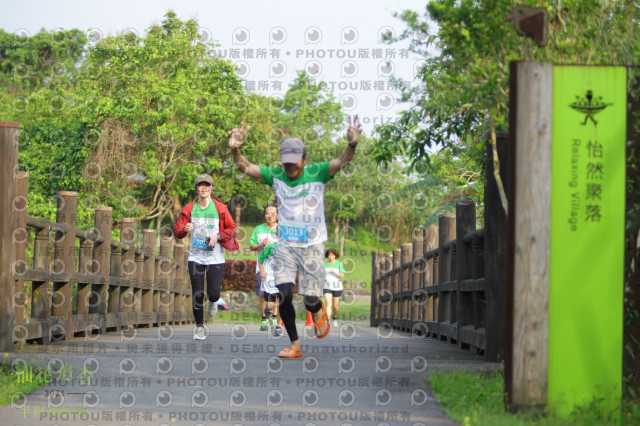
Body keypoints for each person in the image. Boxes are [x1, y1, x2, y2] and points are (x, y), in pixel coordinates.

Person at [228, 115, 362, 358]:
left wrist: (351, 144)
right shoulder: (276, 175)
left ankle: (317, 309)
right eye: (286, 162)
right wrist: (236, 150)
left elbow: (342, 160)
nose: (290, 167)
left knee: (310, 299)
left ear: (305, 159)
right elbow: (246, 168)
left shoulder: (317, 172)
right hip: (285, 246)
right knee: (284, 294)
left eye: (295, 162)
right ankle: (295, 344)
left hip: (312, 245)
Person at [174, 174, 239, 340]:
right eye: (200, 185)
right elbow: (177, 231)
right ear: (196, 188)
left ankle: (213, 301)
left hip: (215, 257)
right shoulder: (189, 208)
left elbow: (232, 229)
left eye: (207, 185)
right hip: (195, 256)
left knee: (214, 293)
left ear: (212, 188)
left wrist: (218, 236)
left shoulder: (220, 208)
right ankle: (199, 327)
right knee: (197, 292)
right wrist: (184, 229)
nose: (203, 188)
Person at [249, 205, 279, 331]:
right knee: (262, 295)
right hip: (261, 268)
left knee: (277, 294)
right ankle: (264, 318)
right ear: (265, 215)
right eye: (267, 213)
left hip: (278, 270)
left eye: (273, 213)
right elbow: (252, 246)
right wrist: (261, 244)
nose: (270, 215)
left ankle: (274, 317)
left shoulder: (281, 229)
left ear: (277, 215)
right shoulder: (258, 229)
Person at [258, 242, 284, 336]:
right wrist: (262, 271)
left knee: (282, 303)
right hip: (270, 279)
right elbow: (260, 259)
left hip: (284, 278)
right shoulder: (271, 247)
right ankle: (268, 312)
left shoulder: (291, 247)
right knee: (270, 306)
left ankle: (279, 326)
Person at [323, 248, 346, 327]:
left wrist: (334, 271)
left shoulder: (339, 264)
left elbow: (342, 276)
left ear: (335, 256)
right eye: (329, 255)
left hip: (337, 286)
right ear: (327, 256)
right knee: (328, 303)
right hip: (327, 286)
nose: (331, 257)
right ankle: (327, 320)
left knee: (335, 306)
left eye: (332, 255)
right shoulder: (324, 264)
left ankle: (335, 317)